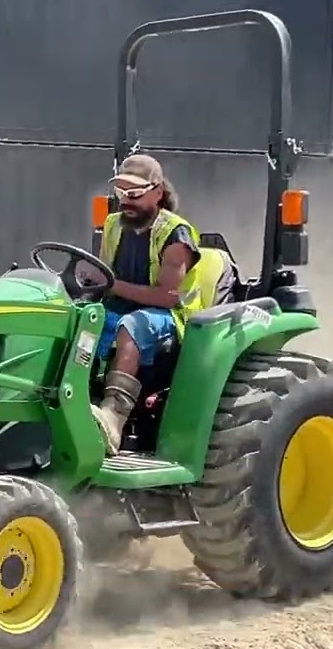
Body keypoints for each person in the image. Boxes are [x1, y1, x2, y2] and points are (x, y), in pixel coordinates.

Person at [89, 154, 232, 455]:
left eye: (135, 194)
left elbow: (167, 296)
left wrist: (113, 285)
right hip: (119, 308)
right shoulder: (114, 225)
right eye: (121, 193)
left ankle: (113, 417)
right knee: (79, 319)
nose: (126, 201)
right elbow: (103, 274)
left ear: (157, 193)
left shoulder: (176, 234)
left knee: (132, 326)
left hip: (168, 319)